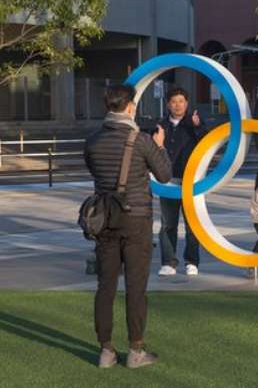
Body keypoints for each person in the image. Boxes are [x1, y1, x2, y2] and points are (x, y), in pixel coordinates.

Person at [84, 84, 172, 369]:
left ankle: (106, 351)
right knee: (136, 286)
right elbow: (165, 174)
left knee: (105, 286)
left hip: (105, 220)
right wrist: (159, 146)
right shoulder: (142, 140)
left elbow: (95, 171)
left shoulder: (93, 139)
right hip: (136, 219)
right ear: (130, 107)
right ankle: (136, 350)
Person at [157, 86, 208, 277]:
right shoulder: (161, 125)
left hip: (191, 182)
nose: (177, 105)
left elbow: (208, 144)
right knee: (168, 224)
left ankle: (192, 261)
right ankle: (168, 262)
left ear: (186, 104)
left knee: (192, 225)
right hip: (168, 181)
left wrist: (197, 127)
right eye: (173, 101)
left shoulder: (194, 122)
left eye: (181, 101)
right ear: (168, 104)